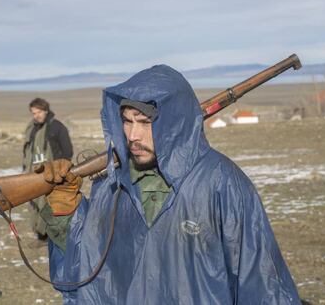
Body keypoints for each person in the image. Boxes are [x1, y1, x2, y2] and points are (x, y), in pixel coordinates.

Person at [38, 65, 301, 304]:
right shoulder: (111, 186)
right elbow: (83, 276)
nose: (132, 135)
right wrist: (66, 213)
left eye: (145, 122)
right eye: (127, 121)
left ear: (174, 124)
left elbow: (262, 282)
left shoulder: (221, 182)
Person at [22, 97, 73, 245]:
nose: (36, 115)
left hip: (52, 174)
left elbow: (67, 151)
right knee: (34, 204)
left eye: (39, 112)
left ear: (46, 111)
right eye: (33, 113)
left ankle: (51, 237)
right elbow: (27, 152)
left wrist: (60, 172)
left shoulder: (57, 127)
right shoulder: (31, 129)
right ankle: (40, 236)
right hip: (33, 173)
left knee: (49, 205)